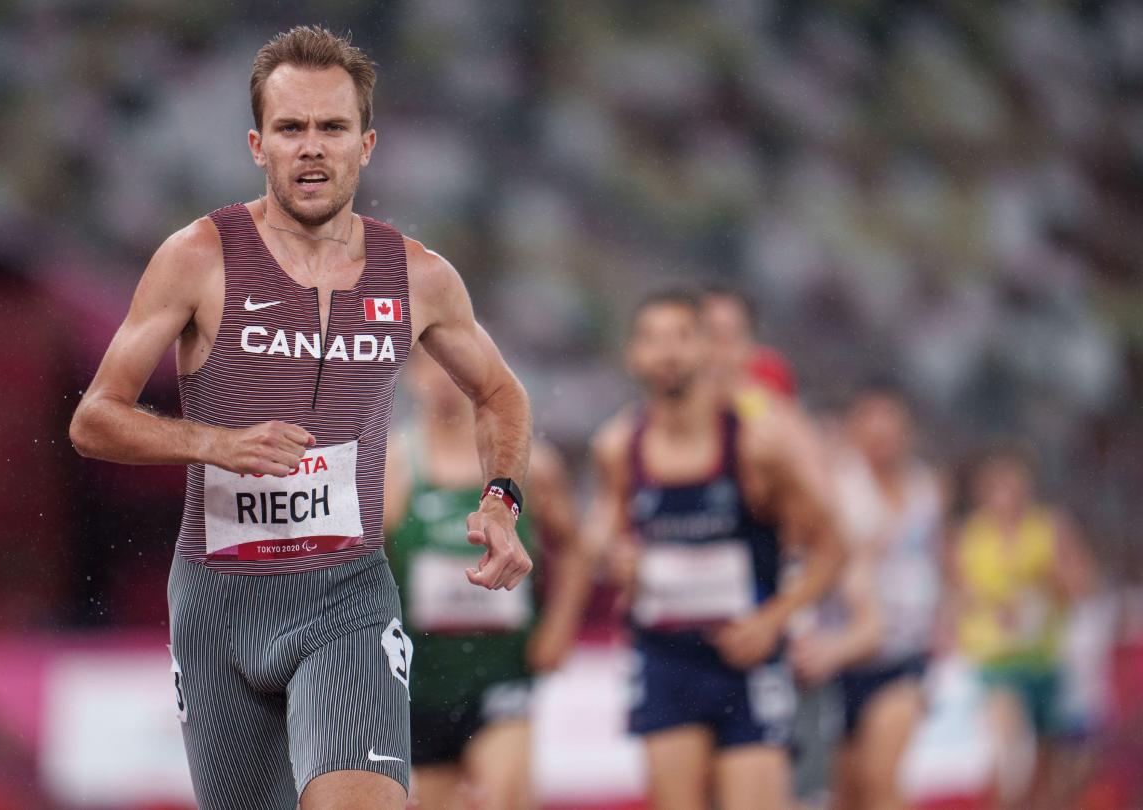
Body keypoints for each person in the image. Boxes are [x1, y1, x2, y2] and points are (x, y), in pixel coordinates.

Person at [67, 26, 533, 810]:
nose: (311, 149)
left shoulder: (419, 275)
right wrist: (214, 442)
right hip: (220, 605)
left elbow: (501, 394)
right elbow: (94, 420)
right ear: (258, 144)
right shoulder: (197, 256)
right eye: (291, 129)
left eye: (331, 128)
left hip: (346, 597)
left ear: (367, 143)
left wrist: (501, 499)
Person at [589, 289, 844, 810]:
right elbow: (615, 544)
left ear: (710, 351)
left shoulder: (757, 445)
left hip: (746, 659)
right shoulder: (618, 448)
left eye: (682, 337)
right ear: (633, 356)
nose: (667, 354)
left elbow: (833, 549)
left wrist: (773, 619)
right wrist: (621, 564)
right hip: (666, 657)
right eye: (652, 340)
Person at [383, 349, 593, 809]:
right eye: (430, 366)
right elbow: (361, 571)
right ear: (411, 377)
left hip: (504, 672)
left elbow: (576, 549)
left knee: (504, 798)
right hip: (423, 679)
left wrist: (560, 626)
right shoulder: (392, 467)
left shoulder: (533, 469)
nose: (443, 380)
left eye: (454, 365)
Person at [791, 382, 946, 810]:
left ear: (907, 431)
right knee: (850, 793)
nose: (881, 436)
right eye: (871, 424)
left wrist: (945, 620)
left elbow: (937, 558)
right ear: (855, 429)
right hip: (843, 656)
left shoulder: (926, 487)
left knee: (882, 780)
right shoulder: (839, 487)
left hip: (901, 654)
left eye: (890, 425)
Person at [949, 444, 1093, 809]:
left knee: (1050, 768)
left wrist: (1053, 579)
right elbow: (957, 597)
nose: (1004, 497)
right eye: (996, 488)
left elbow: (1081, 586)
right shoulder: (970, 537)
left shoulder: (1049, 530)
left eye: (1012, 487)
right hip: (996, 661)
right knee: (1011, 754)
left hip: (1044, 660)